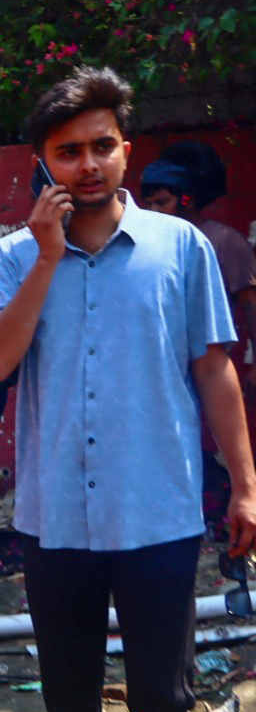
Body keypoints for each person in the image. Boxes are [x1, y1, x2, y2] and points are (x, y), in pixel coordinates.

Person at [0, 68, 256, 712]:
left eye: (102, 146)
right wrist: (46, 257)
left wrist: (246, 484)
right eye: (69, 151)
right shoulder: (13, 258)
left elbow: (214, 369)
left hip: (157, 511)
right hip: (55, 517)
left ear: (126, 151)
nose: (88, 165)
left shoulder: (181, 249)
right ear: (44, 162)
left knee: (163, 695)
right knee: (68, 691)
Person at [141, 143, 256, 485]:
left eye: (162, 202)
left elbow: (251, 305)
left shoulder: (224, 242)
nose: (154, 211)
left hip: (209, 366)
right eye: (149, 204)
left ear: (187, 199)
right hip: (159, 373)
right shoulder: (147, 245)